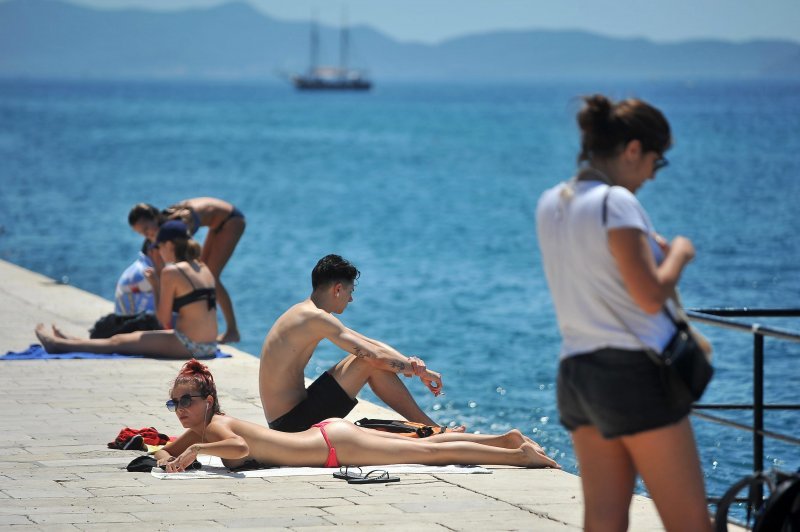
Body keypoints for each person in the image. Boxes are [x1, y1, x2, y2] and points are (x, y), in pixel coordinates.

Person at [535, 94, 710, 531]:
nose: (653, 173)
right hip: (632, 373)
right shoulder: (616, 202)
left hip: (578, 374)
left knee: (604, 521)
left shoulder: (551, 203)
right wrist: (680, 254)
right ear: (633, 149)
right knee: (690, 522)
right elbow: (650, 296)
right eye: (657, 160)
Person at [155, 359, 559, 473]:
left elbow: (239, 446)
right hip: (329, 436)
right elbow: (162, 450)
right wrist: (168, 455)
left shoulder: (215, 428)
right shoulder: (201, 431)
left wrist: (193, 456)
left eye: (187, 401)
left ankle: (517, 456)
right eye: (175, 404)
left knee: (431, 454)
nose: (181, 410)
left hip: (334, 444)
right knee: (427, 445)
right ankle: (505, 439)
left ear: (209, 400)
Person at [259, 254, 461, 434]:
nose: (351, 299)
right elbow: (375, 357)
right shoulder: (316, 318)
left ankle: (431, 428)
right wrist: (419, 372)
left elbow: (370, 344)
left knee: (365, 357)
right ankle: (434, 430)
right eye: (350, 291)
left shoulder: (306, 313)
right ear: (338, 289)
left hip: (289, 416)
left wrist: (413, 365)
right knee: (368, 362)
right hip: (291, 425)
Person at [35, 221, 219, 359]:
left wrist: (155, 285)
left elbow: (163, 320)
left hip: (189, 345)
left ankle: (58, 344)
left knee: (118, 341)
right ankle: (72, 341)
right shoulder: (202, 267)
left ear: (169, 245)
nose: (157, 251)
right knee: (125, 339)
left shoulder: (172, 271)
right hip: (210, 345)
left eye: (158, 246)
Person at [128, 197, 245, 344]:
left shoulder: (180, 220)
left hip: (231, 220)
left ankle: (232, 330)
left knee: (211, 276)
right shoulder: (164, 223)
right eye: (141, 233)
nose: (146, 235)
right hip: (216, 222)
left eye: (146, 229)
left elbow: (183, 253)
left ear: (155, 217)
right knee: (205, 272)